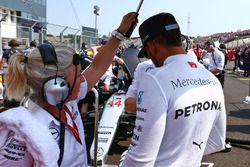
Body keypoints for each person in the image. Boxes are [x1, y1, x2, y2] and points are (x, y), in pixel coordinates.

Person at [0, 12, 138, 167]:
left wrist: (120, 33)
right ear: (55, 86)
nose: (83, 80)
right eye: (78, 75)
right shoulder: (23, 134)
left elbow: (97, 66)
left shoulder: (67, 102)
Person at [120, 13, 226, 167]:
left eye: (147, 52)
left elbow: (138, 161)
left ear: (152, 46)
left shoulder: (155, 79)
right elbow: (217, 142)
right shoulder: (212, 79)